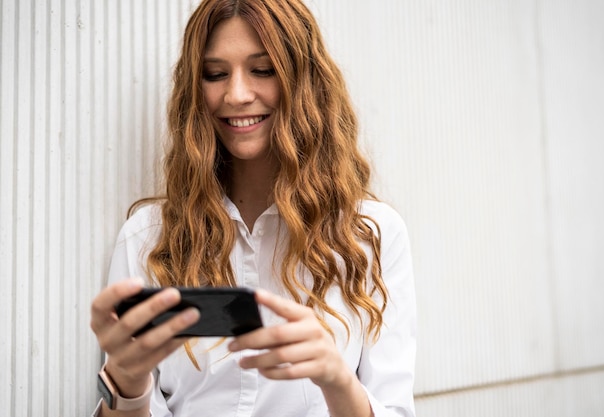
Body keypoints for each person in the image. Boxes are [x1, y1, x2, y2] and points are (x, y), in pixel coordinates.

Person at [89, 0, 416, 416]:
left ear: (304, 81)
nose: (237, 94)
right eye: (215, 74)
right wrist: (128, 384)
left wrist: (336, 379)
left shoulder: (371, 234)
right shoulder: (147, 238)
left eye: (262, 70)